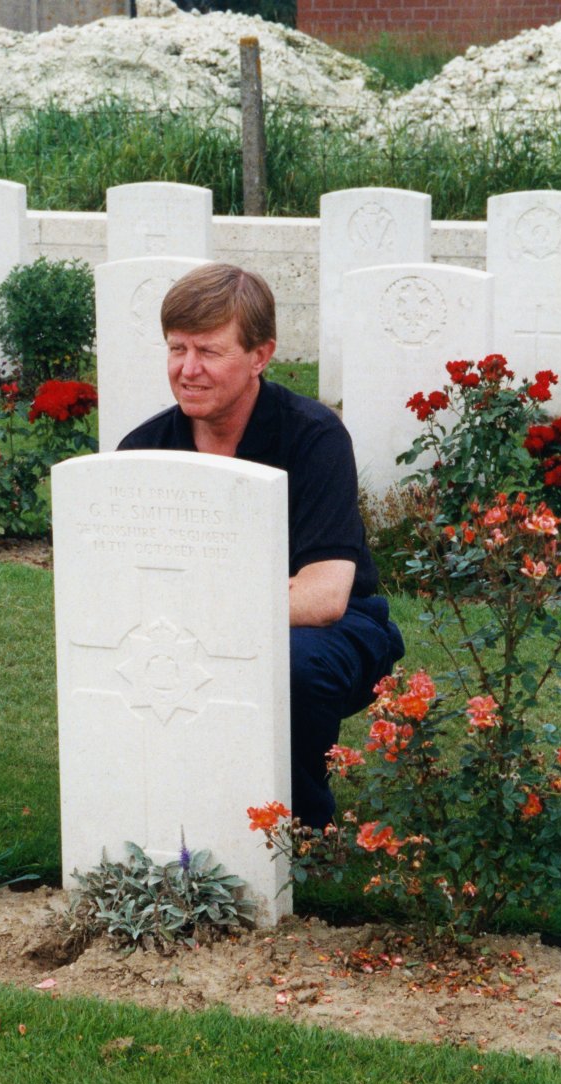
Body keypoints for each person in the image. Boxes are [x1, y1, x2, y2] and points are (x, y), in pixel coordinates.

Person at [117, 263, 404, 829]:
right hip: (195, 619)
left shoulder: (314, 437)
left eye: (210, 351)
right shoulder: (143, 449)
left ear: (260, 355)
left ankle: (299, 824)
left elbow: (322, 597)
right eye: (177, 349)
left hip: (334, 629)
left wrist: (200, 616)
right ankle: (159, 813)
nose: (188, 369)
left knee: (288, 666)